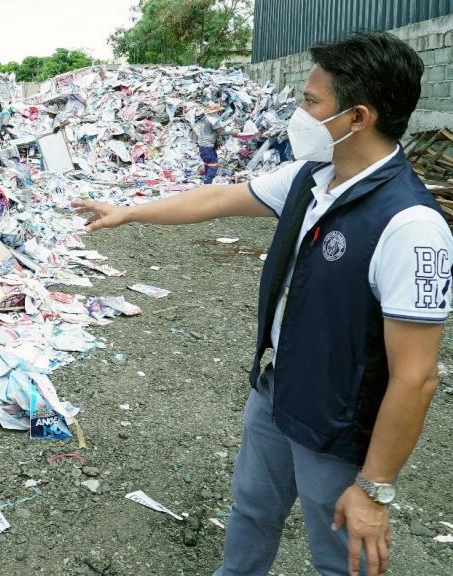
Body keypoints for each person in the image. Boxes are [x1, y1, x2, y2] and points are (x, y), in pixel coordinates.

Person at [73, 31, 451, 576]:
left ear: (357, 117)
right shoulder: (312, 177)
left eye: (311, 101)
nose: (299, 112)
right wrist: (129, 212)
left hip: (337, 423)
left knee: (338, 555)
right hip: (277, 390)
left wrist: (374, 488)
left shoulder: (410, 226)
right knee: (252, 510)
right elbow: (219, 197)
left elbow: (416, 378)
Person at [196, 102, 224, 184]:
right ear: (216, 112)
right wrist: (233, 133)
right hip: (207, 146)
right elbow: (221, 132)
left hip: (202, 145)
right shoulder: (213, 120)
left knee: (207, 163)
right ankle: (208, 183)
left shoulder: (205, 118)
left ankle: (206, 180)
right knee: (213, 164)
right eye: (219, 112)